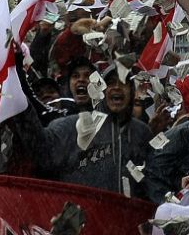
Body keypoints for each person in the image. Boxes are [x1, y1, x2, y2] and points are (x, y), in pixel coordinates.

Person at [34, 65, 154, 196]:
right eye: (111, 83)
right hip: (82, 213)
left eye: (124, 83)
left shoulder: (142, 133)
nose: (117, 87)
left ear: (131, 92)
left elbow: (152, 181)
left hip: (125, 215)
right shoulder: (72, 127)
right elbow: (39, 147)